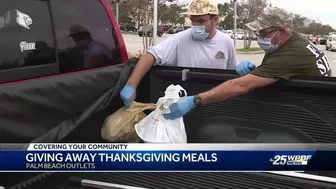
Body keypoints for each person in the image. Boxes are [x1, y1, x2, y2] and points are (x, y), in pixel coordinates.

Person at [162, 7, 332, 120]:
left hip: (312, 116)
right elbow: (277, 74)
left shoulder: (292, 53)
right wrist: (257, 71)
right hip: (312, 109)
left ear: (282, 31)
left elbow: (240, 86)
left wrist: (194, 100)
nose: (259, 37)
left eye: (263, 32)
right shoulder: (296, 41)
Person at [120, 0, 243, 108]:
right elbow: (151, 55)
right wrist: (131, 85)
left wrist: (241, 69)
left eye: (201, 21)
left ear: (215, 20)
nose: (195, 26)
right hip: (185, 102)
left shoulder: (226, 42)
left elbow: (231, 71)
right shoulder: (180, 39)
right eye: (192, 20)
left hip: (214, 101)